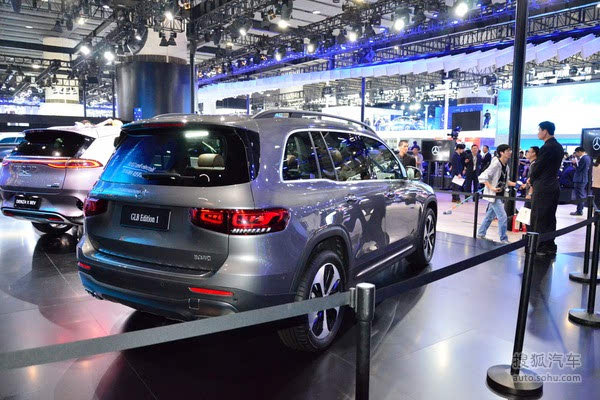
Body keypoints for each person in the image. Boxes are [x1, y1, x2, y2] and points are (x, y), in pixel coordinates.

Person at [528, 121, 564, 256]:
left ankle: (540, 246)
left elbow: (539, 167)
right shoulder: (558, 146)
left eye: (539, 130)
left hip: (543, 186)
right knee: (549, 217)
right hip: (553, 185)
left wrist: (531, 179)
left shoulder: (547, 147)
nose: (538, 133)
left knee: (539, 217)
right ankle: (549, 244)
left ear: (545, 131)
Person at [476, 144, 518, 244]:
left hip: (500, 194)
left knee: (489, 216)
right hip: (494, 194)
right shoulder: (495, 164)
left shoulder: (506, 166)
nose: (510, 153)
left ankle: (481, 234)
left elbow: (506, 181)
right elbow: (482, 177)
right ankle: (503, 239)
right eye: (507, 151)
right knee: (502, 216)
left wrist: (517, 184)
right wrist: (492, 188)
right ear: (501, 153)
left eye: (510, 150)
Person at [570, 147, 592, 215]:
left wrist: (574, 164)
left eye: (576, 153)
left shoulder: (584, 158)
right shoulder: (587, 158)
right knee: (580, 194)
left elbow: (579, 169)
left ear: (579, 152)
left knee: (579, 195)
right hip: (582, 178)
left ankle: (579, 211)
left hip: (580, 179)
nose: (576, 154)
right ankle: (579, 210)